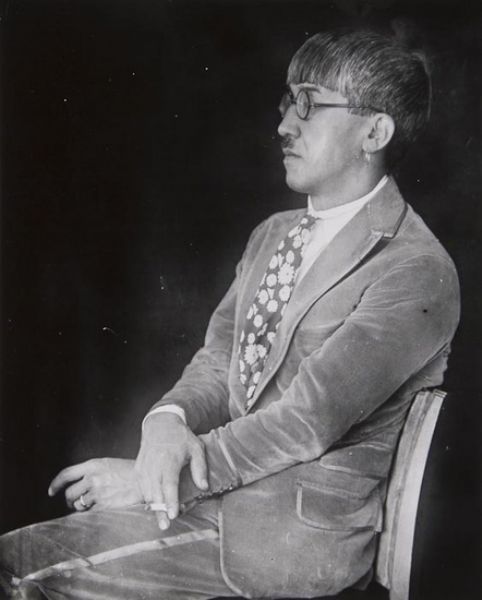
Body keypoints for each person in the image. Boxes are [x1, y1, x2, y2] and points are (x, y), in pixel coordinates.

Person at [0, 27, 460, 600]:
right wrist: (165, 420)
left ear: (375, 132)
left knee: (16, 569)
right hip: (217, 505)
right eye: (287, 103)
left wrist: (153, 481)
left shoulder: (415, 268)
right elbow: (221, 361)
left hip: (283, 541)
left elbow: (306, 420)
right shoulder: (272, 234)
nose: (284, 124)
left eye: (309, 105)